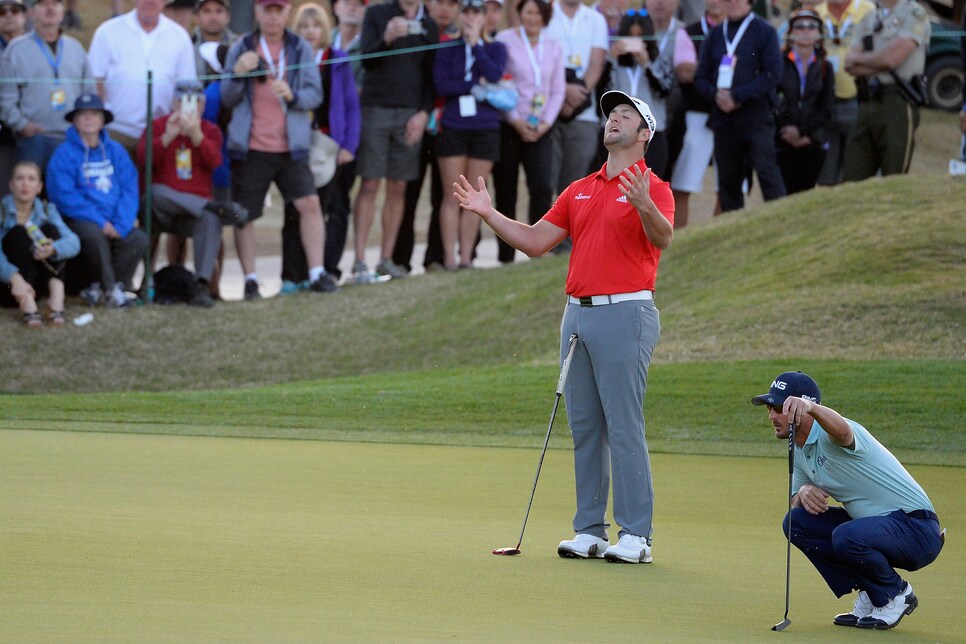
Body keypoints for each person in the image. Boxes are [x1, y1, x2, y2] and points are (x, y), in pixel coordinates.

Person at [455, 90, 673, 563]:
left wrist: (643, 205)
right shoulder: (580, 188)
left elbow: (663, 238)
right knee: (586, 426)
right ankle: (590, 530)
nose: (612, 120)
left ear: (643, 134)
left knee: (623, 423)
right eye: (610, 115)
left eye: (625, 116)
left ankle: (636, 535)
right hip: (576, 314)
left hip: (626, 312)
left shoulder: (651, 186)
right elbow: (535, 242)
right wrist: (489, 213)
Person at [752, 371, 945, 630]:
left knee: (846, 536)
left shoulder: (834, 433)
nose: (771, 416)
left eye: (778, 407)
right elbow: (795, 500)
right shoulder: (798, 447)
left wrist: (811, 407)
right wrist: (802, 494)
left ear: (802, 409)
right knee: (795, 522)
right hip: (876, 531)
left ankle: (895, 594)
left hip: (916, 529)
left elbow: (842, 431)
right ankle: (870, 590)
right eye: (769, 408)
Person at [222, 0, 338, 299]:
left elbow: (315, 95)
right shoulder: (242, 46)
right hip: (251, 147)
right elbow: (227, 96)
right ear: (258, 13)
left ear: (287, 13)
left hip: (292, 147)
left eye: (278, 10)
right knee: (245, 215)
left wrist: (294, 95)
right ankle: (250, 279)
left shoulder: (300, 47)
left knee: (310, 205)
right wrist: (238, 72)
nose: (273, 17)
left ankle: (317, 273)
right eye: (267, 10)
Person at [351, 0, 439, 283]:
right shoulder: (377, 14)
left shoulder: (429, 24)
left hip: (411, 114)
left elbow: (430, 76)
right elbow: (366, 60)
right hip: (376, 110)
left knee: (399, 186)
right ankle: (360, 261)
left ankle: (385, 260)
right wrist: (387, 38)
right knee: (369, 184)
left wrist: (424, 112)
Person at [279, 2, 360, 291]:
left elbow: (351, 106)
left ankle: (326, 269)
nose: (310, 32)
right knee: (296, 210)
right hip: (299, 145)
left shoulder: (337, 60)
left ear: (324, 29)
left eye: (315, 26)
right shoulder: (290, 59)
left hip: (330, 146)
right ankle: (292, 275)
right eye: (304, 27)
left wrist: (348, 145)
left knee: (332, 210)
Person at [46, 94, 148, 308]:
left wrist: (120, 223)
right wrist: (101, 222)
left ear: (103, 120)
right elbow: (63, 196)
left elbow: (130, 189)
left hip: (114, 220)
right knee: (93, 235)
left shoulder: (116, 151)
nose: (88, 118)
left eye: (94, 113)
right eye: (83, 114)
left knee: (138, 238)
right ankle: (110, 290)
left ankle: (106, 288)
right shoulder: (63, 153)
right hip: (82, 219)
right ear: (74, 120)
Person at [137, 80, 224, 308]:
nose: (189, 107)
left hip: (192, 215)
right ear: (174, 103)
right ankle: (147, 282)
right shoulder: (157, 126)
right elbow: (144, 160)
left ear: (203, 106)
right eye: (184, 101)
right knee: (154, 193)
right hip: (161, 208)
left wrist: (196, 135)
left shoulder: (210, 130)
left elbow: (215, 161)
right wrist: (168, 136)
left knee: (211, 219)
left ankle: (201, 285)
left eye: (196, 102)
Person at [433, 0, 507, 270]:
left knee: (475, 195)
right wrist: (473, 85)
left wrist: (476, 44)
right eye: (467, 13)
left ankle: (466, 258)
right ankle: (449, 259)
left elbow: (494, 73)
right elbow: (442, 84)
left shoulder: (494, 47)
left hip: (484, 128)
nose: (471, 18)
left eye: (477, 13)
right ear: (459, 16)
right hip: (454, 126)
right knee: (453, 194)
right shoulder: (447, 47)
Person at [694, 0, 785, 213]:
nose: (732, 3)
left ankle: (782, 218)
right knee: (727, 177)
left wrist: (737, 96)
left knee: (766, 170)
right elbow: (701, 77)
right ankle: (732, 228)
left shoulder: (765, 32)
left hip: (755, 115)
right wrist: (716, 95)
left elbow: (772, 74)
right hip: (723, 118)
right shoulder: (716, 35)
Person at [492, 0, 564, 264]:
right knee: (506, 189)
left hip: (541, 128)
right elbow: (498, 82)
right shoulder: (505, 40)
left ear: (545, 16)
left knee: (542, 186)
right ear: (520, 13)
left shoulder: (554, 46)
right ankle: (505, 257)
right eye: (528, 12)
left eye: (537, 13)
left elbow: (557, 90)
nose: (533, 18)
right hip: (510, 125)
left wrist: (544, 124)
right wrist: (514, 120)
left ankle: (539, 250)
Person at [393, 0, 459, 274]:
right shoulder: (417, 32)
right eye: (439, 2)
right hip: (417, 120)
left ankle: (436, 257)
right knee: (408, 192)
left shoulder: (459, 40)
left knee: (443, 196)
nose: (444, 9)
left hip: (448, 127)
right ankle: (399, 259)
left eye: (451, 3)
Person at [87, 0, 198, 156]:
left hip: (163, 135)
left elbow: (187, 88)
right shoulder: (107, 32)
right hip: (116, 133)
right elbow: (94, 79)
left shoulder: (180, 36)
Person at [841, 0, 929, 181]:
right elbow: (850, 64)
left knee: (893, 178)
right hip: (868, 102)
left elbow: (892, 59)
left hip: (897, 102)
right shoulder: (870, 18)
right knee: (852, 177)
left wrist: (865, 58)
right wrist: (880, 60)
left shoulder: (913, 14)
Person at [0, 0, 89, 172]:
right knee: (30, 195)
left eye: (55, 4)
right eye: (43, 4)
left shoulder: (76, 48)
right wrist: (21, 125)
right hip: (34, 139)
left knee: (66, 194)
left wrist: (84, 124)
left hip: (71, 137)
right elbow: (6, 97)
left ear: (63, 12)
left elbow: (89, 91)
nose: (50, 8)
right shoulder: (16, 49)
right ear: (31, 13)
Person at [0, 161, 79, 327]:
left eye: (31, 179)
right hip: (8, 285)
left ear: (39, 187)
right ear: (11, 184)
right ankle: (26, 302)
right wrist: (14, 278)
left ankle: (57, 299)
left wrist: (52, 250)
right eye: (20, 178)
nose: (25, 183)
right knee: (18, 233)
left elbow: (73, 242)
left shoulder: (47, 209)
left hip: (38, 281)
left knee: (50, 231)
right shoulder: (2, 210)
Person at [546, 0, 608, 208]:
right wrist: (562, 91)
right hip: (547, 111)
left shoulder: (596, 19)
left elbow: (596, 63)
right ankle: (540, 239)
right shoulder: (545, 12)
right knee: (545, 183)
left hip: (584, 113)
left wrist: (577, 96)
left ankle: (570, 241)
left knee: (575, 185)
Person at [669, 0, 723, 227]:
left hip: (732, 116)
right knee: (683, 183)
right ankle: (678, 238)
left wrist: (702, 69)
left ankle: (720, 240)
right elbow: (684, 71)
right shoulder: (688, 32)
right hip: (697, 114)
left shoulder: (746, 30)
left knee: (729, 185)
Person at [814, 0, 875, 186]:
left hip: (857, 100)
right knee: (826, 173)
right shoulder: (817, 14)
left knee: (855, 170)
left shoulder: (868, 11)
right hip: (825, 104)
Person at [774, 9, 834, 194]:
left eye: (812, 26)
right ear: (790, 33)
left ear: (819, 34)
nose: (806, 31)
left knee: (805, 195)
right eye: (799, 26)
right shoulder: (778, 63)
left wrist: (801, 131)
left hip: (812, 141)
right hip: (782, 142)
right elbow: (773, 101)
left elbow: (826, 109)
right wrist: (788, 130)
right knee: (783, 195)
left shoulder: (825, 66)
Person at [0, 0, 27, 197]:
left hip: (36, 133)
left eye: (15, 10)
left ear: (25, 16)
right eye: (2, 11)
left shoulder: (36, 46)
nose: (9, 15)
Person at [193, 0, 237, 80]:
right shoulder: (187, 46)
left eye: (219, 11)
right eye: (207, 11)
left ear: (228, 16)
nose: (213, 17)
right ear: (196, 17)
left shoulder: (239, 46)